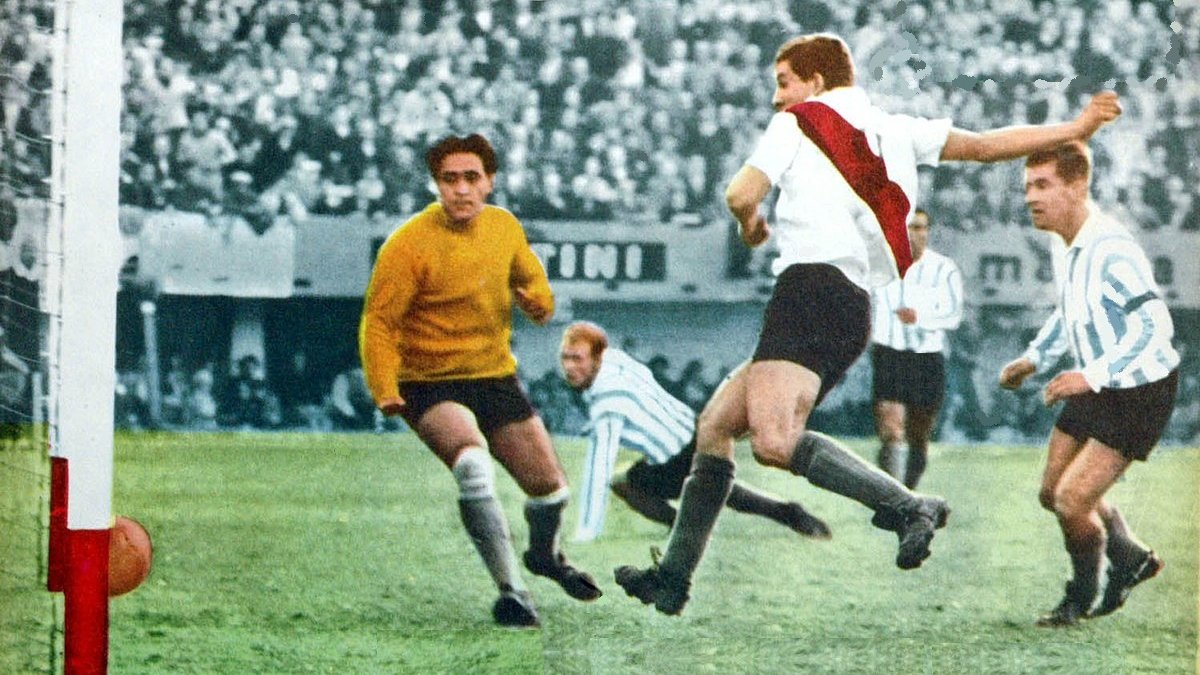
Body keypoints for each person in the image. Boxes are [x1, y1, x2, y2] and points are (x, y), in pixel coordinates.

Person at [614, 32, 1123, 616]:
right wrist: (1075, 128)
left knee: (775, 443)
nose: (778, 98)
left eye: (784, 83)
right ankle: (673, 579)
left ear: (816, 82)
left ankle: (908, 506)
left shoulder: (797, 121)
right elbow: (986, 146)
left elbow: (739, 193)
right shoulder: (898, 129)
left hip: (808, 290)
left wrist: (750, 225)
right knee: (716, 425)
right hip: (852, 305)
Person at [359, 133, 600, 629]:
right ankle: (513, 593)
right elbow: (379, 322)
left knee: (550, 490)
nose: (461, 189)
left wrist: (539, 302)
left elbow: (532, 281)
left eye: (472, 178)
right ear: (436, 185)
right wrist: (385, 388)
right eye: (450, 179)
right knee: (472, 466)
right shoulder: (408, 244)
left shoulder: (503, 227)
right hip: (428, 382)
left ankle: (544, 557)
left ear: (489, 182)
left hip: (493, 376)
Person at [998, 141, 1179, 627]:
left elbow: (1154, 325)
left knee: (1072, 500)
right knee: (1052, 493)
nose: (1031, 197)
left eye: (1043, 185)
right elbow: (1070, 311)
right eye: (1027, 187)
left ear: (1078, 186)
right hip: (1098, 380)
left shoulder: (1111, 248)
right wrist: (1034, 359)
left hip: (1140, 387)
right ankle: (1130, 555)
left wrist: (1090, 375)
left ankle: (1077, 599)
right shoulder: (1065, 242)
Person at [558, 320, 831, 542]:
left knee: (623, 482)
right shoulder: (617, 360)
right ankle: (788, 512)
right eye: (565, 358)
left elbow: (599, 465)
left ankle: (681, 526)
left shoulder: (607, 403)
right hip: (696, 428)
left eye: (577, 359)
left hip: (674, 454)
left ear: (596, 359)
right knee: (721, 489)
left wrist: (587, 530)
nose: (569, 367)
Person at [870, 208, 964, 488]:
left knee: (919, 436)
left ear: (928, 232)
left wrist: (921, 318)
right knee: (891, 431)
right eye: (909, 227)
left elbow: (954, 315)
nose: (914, 234)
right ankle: (892, 497)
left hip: (927, 358)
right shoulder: (881, 266)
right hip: (889, 353)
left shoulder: (944, 269)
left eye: (920, 227)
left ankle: (908, 491)